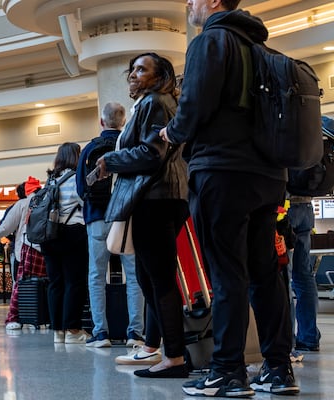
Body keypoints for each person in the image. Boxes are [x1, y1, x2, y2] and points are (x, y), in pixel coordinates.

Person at [159, 0, 298, 396]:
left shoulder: (211, 41)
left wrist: (173, 132)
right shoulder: (262, 48)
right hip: (268, 176)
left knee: (226, 272)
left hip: (222, 171)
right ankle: (277, 368)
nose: (188, 3)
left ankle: (228, 371)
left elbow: (195, 104)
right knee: (265, 273)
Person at [96, 53, 188, 377]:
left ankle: (174, 357)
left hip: (157, 197)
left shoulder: (156, 102)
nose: (133, 75)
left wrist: (112, 160)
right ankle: (153, 347)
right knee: (151, 278)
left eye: (141, 70)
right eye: (132, 70)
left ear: (159, 75)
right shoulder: (153, 103)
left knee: (159, 279)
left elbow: (151, 153)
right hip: (160, 196)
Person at [75, 101, 145, 349]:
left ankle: (101, 333)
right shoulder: (131, 145)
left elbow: (81, 188)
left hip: (96, 218)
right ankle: (135, 333)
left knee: (96, 275)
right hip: (126, 217)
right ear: (123, 121)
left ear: (101, 122)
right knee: (134, 275)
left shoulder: (90, 148)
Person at [40, 142, 89, 344]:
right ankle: (73, 329)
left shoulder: (50, 180)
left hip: (49, 236)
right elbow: (85, 201)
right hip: (73, 233)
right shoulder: (76, 178)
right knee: (74, 282)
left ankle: (57, 331)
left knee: (55, 283)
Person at [0, 176, 45, 330]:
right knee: (47, 284)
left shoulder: (23, 203)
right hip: (48, 249)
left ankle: (15, 318)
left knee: (21, 284)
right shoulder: (48, 198)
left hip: (27, 248)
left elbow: (6, 227)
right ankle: (42, 317)